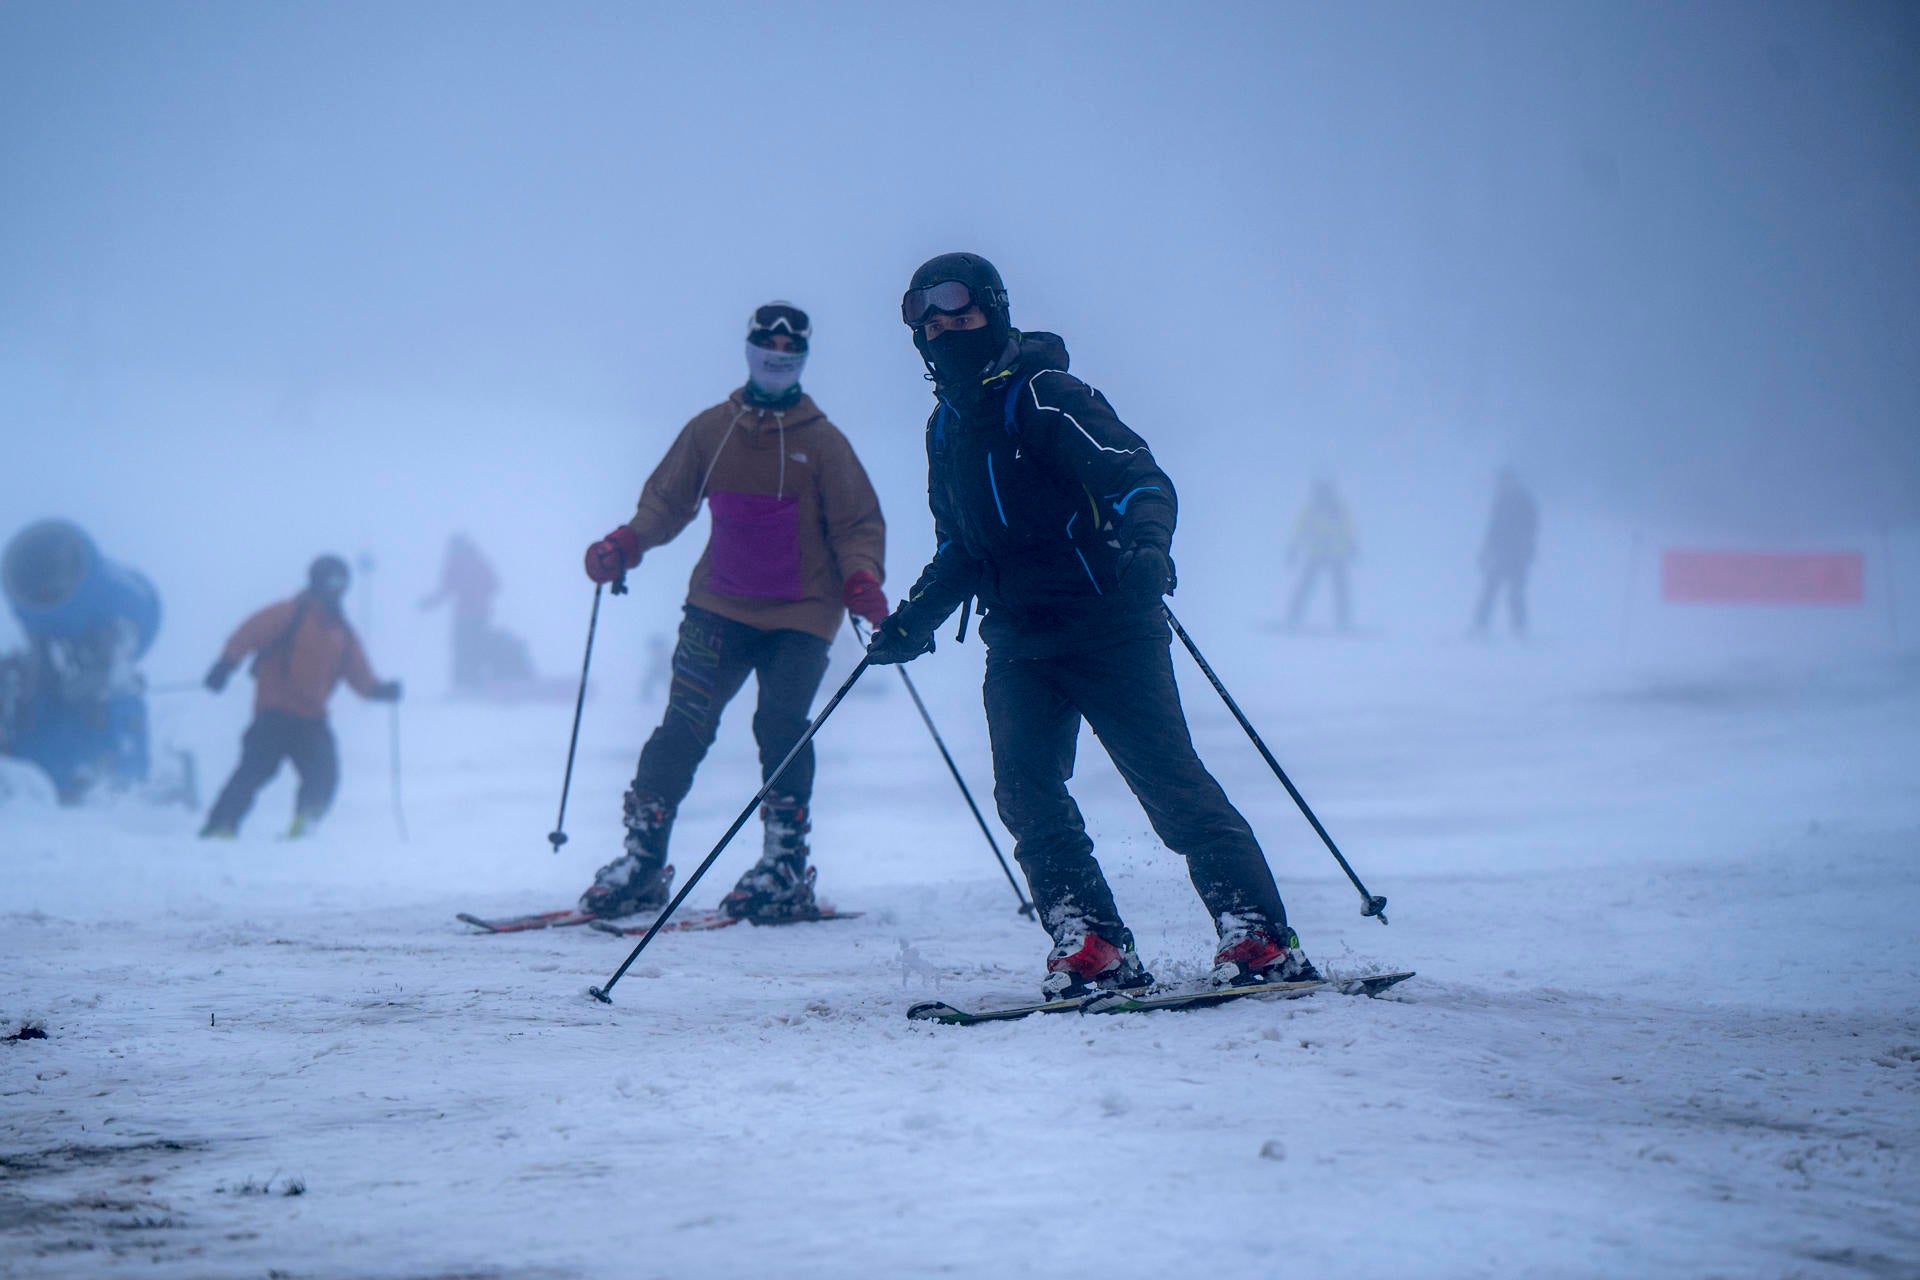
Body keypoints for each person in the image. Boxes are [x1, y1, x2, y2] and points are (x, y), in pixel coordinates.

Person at [866, 252, 1317, 1000]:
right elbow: (961, 546)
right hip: (1017, 639)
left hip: (1110, 623)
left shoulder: (1046, 395)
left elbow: (1138, 473)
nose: (948, 333)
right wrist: (914, 620)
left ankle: (1259, 934)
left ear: (996, 314)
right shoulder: (945, 426)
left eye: (964, 317)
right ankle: (1092, 941)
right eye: (933, 325)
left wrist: (1149, 546)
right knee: (1028, 795)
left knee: (1171, 788)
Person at [578, 302, 888, 922]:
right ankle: (642, 863)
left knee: (780, 726)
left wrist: (862, 577)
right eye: (767, 346)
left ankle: (784, 865)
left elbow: (857, 523)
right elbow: (666, 504)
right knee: (682, 728)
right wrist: (625, 544)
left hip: (803, 612)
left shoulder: (824, 443)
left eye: (788, 349)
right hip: (717, 606)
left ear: (801, 359)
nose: (776, 356)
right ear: (750, 351)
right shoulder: (711, 430)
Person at [200, 555, 402, 837]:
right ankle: (220, 827)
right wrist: (225, 665)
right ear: (317, 581)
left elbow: (359, 674)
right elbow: (248, 633)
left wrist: (380, 691)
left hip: (311, 719)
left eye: (343, 583)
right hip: (274, 712)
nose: (337, 589)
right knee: (254, 772)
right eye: (332, 581)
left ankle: (304, 824)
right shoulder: (289, 614)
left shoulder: (341, 632)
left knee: (323, 776)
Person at [418, 533, 511, 692]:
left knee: (464, 648)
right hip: (480, 613)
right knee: (474, 647)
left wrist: (430, 603)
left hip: (467, 614)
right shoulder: (477, 560)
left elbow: (446, 589)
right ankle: (472, 683)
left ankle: (464, 684)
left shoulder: (457, 563)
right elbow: (495, 584)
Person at [1284, 478, 1357, 631]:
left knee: (1339, 589)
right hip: (1317, 553)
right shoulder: (1311, 510)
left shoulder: (1338, 509)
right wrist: (1294, 548)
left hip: (1336, 553)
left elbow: (1347, 527)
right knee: (1306, 586)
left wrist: (1352, 545)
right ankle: (1292, 617)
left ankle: (1343, 621)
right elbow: (1301, 529)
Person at [1473, 468, 1539, 636]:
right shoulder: (1500, 502)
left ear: (1514, 482)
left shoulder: (1525, 502)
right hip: (1500, 554)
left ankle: (1520, 629)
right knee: (1490, 590)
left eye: (1506, 482)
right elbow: (1492, 530)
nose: (1503, 486)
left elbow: (1531, 529)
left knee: (1515, 593)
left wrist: (1526, 550)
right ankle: (1480, 626)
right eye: (1501, 483)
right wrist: (1484, 552)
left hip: (1519, 556)